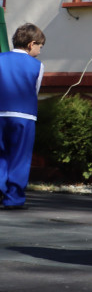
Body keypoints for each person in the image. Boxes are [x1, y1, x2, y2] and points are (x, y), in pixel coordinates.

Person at [0, 23, 45, 210]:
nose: (39, 51)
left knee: (1, 154)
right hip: (24, 116)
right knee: (20, 157)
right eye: (40, 46)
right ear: (31, 44)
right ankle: (14, 199)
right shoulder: (38, 66)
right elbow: (34, 91)